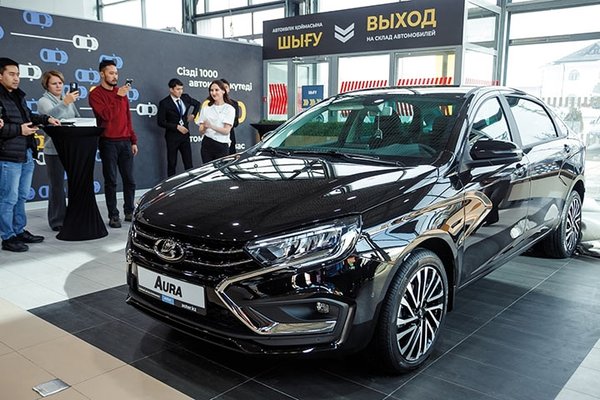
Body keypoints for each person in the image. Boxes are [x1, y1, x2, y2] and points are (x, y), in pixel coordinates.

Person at [0, 57, 60, 252]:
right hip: (8, 156)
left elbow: (28, 117)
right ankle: (7, 237)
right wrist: (20, 130)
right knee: (8, 198)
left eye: (17, 74)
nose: (16, 78)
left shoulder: (18, 95)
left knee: (21, 196)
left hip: (26, 152)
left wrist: (46, 118)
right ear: (0, 76)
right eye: (11, 74)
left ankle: (18, 231)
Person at [88, 59, 138, 229]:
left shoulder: (121, 93)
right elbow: (106, 116)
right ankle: (113, 215)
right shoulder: (96, 94)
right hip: (108, 142)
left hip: (125, 142)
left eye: (116, 73)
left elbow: (127, 118)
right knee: (111, 181)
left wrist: (133, 140)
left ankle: (129, 211)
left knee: (129, 180)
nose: (115, 76)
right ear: (102, 74)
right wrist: (118, 97)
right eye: (111, 73)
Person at [37, 70, 81, 232]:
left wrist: (68, 103)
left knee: (75, 183)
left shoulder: (67, 99)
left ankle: (73, 216)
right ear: (47, 85)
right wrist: (65, 103)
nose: (58, 86)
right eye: (54, 83)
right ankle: (57, 220)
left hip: (71, 147)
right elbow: (49, 117)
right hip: (53, 149)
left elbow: (77, 117)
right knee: (57, 186)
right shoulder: (43, 101)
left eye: (60, 83)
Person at [157, 78, 200, 177]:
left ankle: (190, 183)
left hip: (185, 135)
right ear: (171, 90)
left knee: (188, 163)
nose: (180, 91)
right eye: (178, 89)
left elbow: (197, 104)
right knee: (172, 163)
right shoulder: (164, 103)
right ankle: (170, 184)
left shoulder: (185, 97)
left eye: (181, 89)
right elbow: (160, 122)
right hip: (172, 137)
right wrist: (176, 127)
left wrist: (193, 115)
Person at [198, 80, 235, 163]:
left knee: (220, 170)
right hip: (207, 143)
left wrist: (211, 126)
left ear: (223, 91)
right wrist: (204, 128)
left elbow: (226, 131)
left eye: (216, 90)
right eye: (211, 90)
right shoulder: (206, 109)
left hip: (222, 145)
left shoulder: (229, 109)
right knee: (207, 169)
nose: (213, 93)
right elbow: (201, 130)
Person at [220, 79, 240, 155]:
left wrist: (227, 124)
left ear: (229, 89)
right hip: (216, 137)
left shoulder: (234, 104)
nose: (224, 89)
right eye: (222, 87)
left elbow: (236, 122)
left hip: (230, 136)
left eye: (226, 87)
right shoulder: (213, 104)